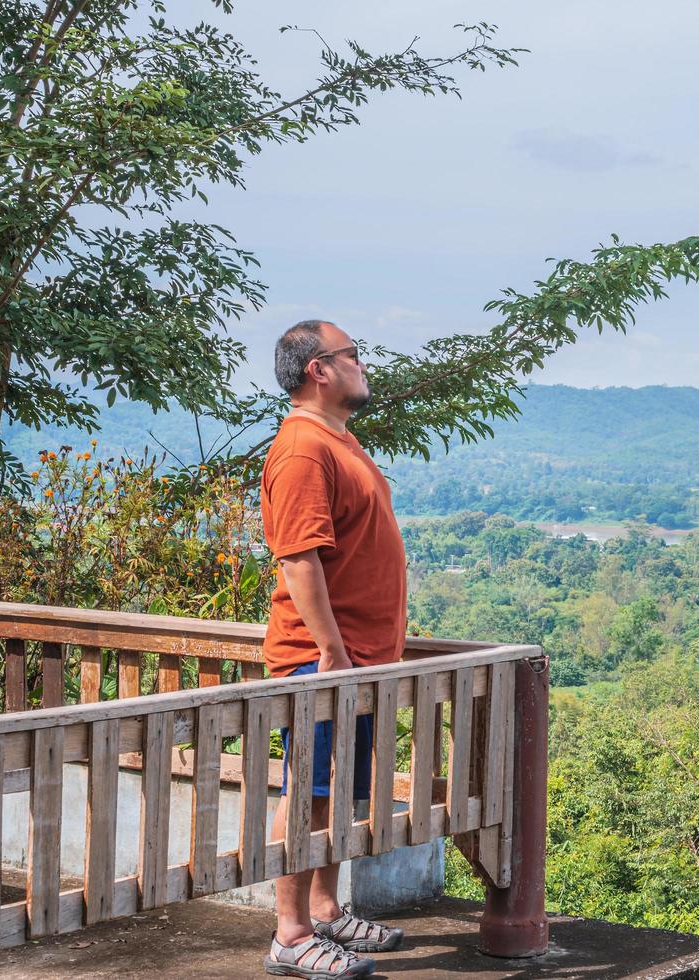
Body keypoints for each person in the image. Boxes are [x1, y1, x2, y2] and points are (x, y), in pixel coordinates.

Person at [259, 320, 407, 979]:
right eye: (352, 355)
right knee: (309, 791)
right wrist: (332, 651)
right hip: (321, 660)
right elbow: (299, 561)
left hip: (356, 659)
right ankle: (289, 934)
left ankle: (323, 909)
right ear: (319, 370)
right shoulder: (301, 451)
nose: (361, 364)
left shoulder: (338, 441)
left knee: (335, 795)